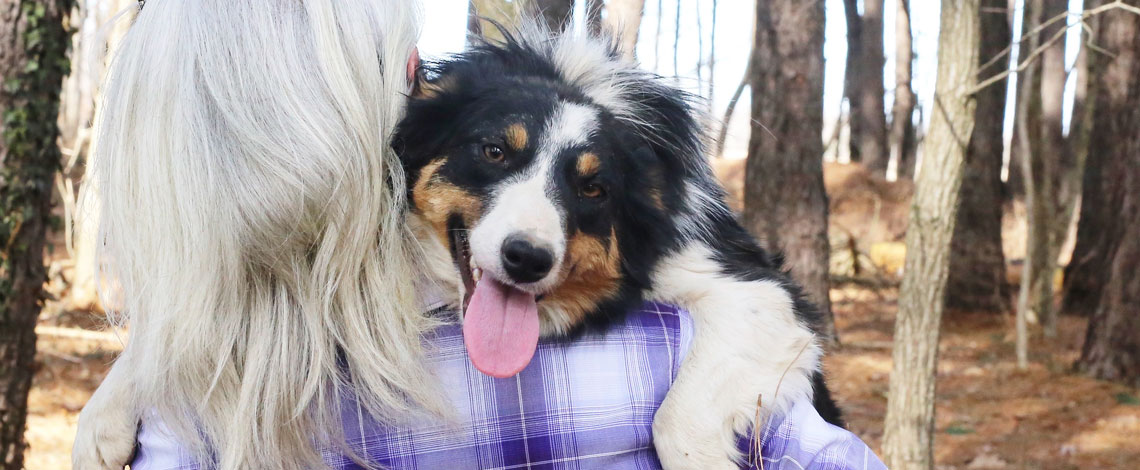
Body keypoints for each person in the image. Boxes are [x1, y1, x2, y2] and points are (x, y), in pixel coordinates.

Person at [76, 1, 887, 469]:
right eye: (493, 159)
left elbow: (761, 314)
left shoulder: (190, 421)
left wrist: (696, 429)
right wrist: (141, 372)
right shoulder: (648, 357)